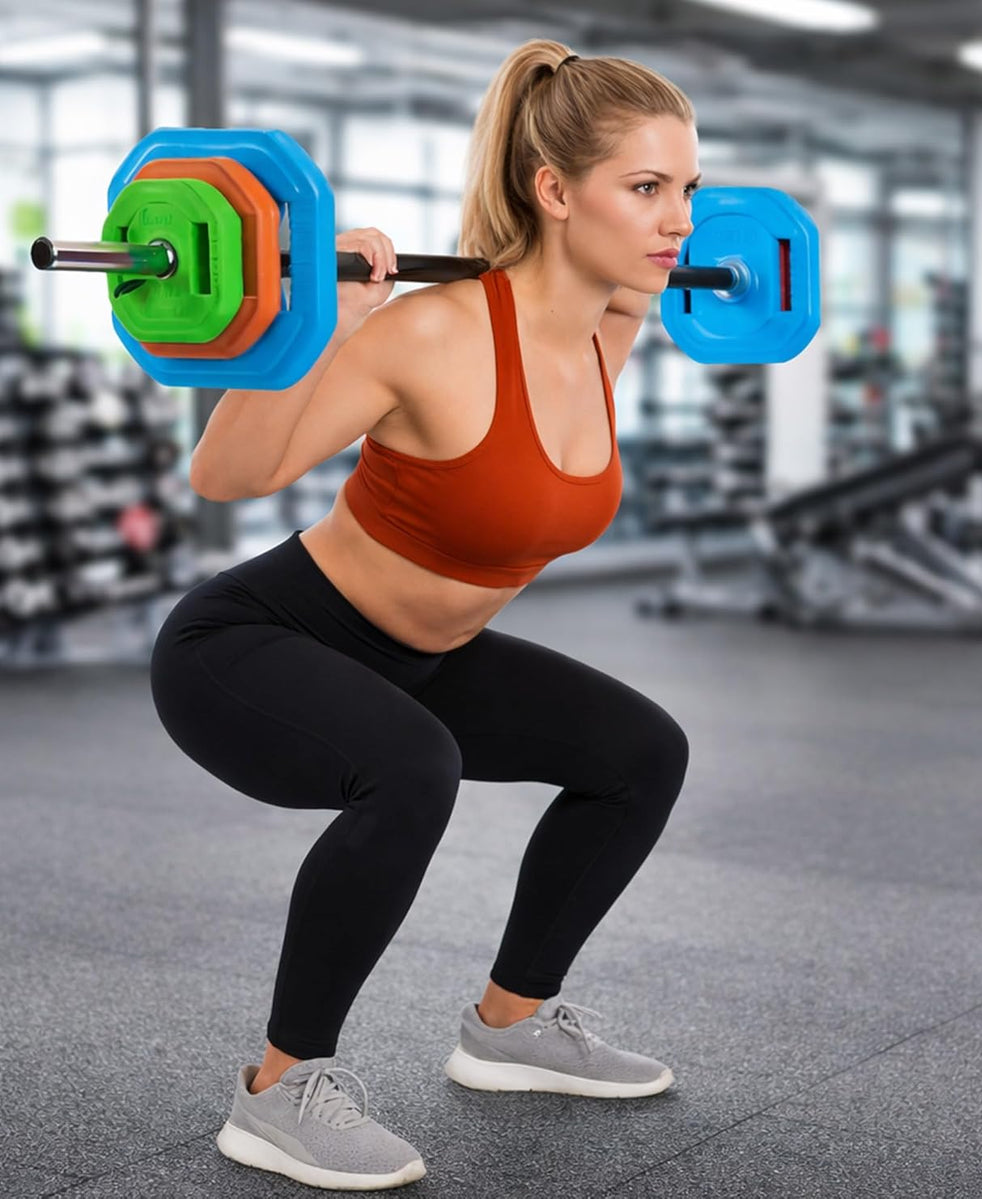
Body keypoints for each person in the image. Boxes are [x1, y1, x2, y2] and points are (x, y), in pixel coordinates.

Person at [149, 36, 698, 1193]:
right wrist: (324, 318)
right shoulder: (431, 333)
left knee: (639, 751)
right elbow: (224, 476)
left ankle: (508, 1023)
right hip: (255, 642)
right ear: (554, 192)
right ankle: (279, 1089)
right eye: (645, 189)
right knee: (413, 766)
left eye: (685, 189)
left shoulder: (608, 331)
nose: (679, 222)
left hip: (426, 656)